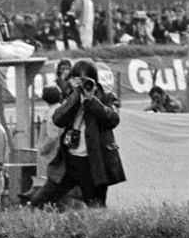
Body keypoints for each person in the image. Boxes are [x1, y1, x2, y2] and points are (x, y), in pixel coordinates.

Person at [30, 58, 125, 208]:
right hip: (69, 162)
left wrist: (91, 99)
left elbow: (113, 120)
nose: (83, 84)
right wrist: (75, 97)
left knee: (96, 208)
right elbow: (58, 119)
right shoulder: (71, 96)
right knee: (39, 201)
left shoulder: (106, 96)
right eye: (78, 79)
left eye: (86, 79)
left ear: (94, 79)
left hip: (94, 163)